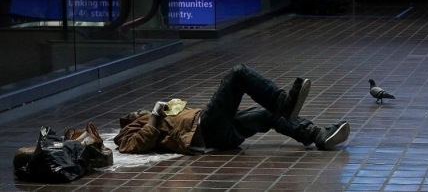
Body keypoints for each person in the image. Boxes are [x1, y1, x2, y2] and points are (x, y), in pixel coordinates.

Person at [114, 64, 350, 155]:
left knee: (266, 115)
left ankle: (317, 135)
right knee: (238, 74)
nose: (138, 111)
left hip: (220, 133)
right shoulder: (127, 134)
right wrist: (154, 115)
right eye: (135, 113)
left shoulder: (158, 117)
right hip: (204, 129)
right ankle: (284, 103)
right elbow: (139, 144)